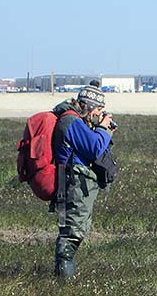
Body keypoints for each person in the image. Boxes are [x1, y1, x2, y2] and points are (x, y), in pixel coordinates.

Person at [50, 84, 116, 278]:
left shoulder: (73, 120)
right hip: (72, 185)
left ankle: (62, 276)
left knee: (70, 231)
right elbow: (94, 148)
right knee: (70, 234)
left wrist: (103, 131)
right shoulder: (72, 122)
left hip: (69, 183)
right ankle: (64, 282)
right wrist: (103, 130)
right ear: (89, 106)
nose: (99, 115)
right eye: (98, 110)